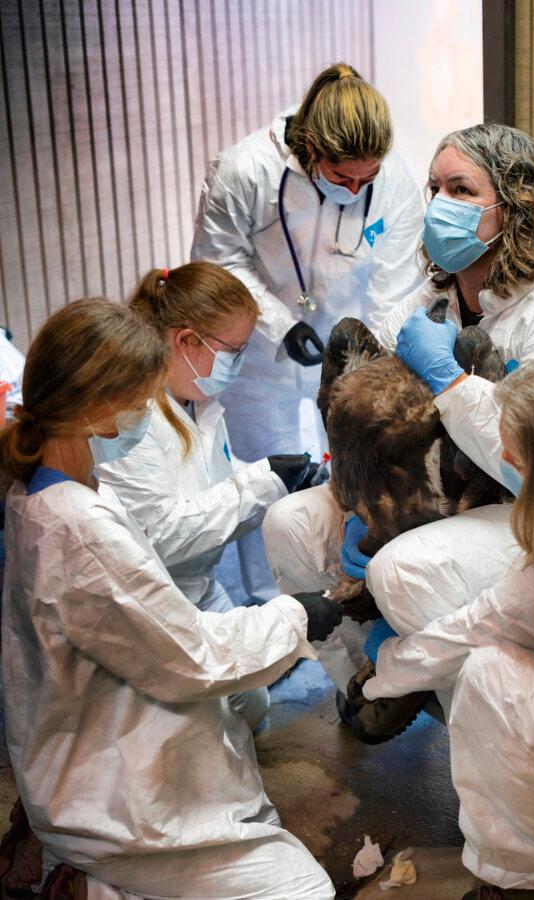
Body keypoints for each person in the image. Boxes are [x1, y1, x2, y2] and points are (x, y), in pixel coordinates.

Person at [262, 122, 534, 737]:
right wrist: (362, 479)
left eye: (462, 189)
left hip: (522, 505)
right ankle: (374, 680)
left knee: (401, 570)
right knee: (289, 524)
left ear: (515, 203)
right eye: (435, 186)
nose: (441, 203)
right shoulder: (433, 294)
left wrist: (447, 380)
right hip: (428, 483)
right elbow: (370, 389)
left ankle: (464, 699)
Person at [0, 298, 339, 897]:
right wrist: (297, 615)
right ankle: (86, 883)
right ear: (104, 404)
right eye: (142, 395)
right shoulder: (79, 528)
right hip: (107, 798)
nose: (147, 411)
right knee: (303, 891)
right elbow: (193, 658)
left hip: (86, 728)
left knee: (241, 716)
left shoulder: (46, 491)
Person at [361, 351, 534, 896]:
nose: (506, 455)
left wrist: (383, 670)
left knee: (490, 677)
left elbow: (481, 628)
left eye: (518, 454)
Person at [192, 62, 424, 603]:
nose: (358, 187)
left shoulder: (392, 180)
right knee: (266, 477)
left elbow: (396, 283)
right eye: (344, 177)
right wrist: (281, 325)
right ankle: (266, 603)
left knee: (357, 465)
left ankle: (345, 595)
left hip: (350, 344)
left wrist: (374, 358)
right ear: (311, 145)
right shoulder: (244, 169)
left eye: (368, 177)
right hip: (263, 355)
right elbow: (217, 261)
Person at [98, 261, 321, 732]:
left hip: (198, 588)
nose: (238, 364)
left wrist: (285, 481)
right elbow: (162, 536)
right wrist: (261, 484)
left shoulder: (194, 402)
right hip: (150, 603)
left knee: (253, 705)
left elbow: (212, 484)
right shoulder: (132, 420)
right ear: (186, 341)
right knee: (198, 733)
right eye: (234, 351)